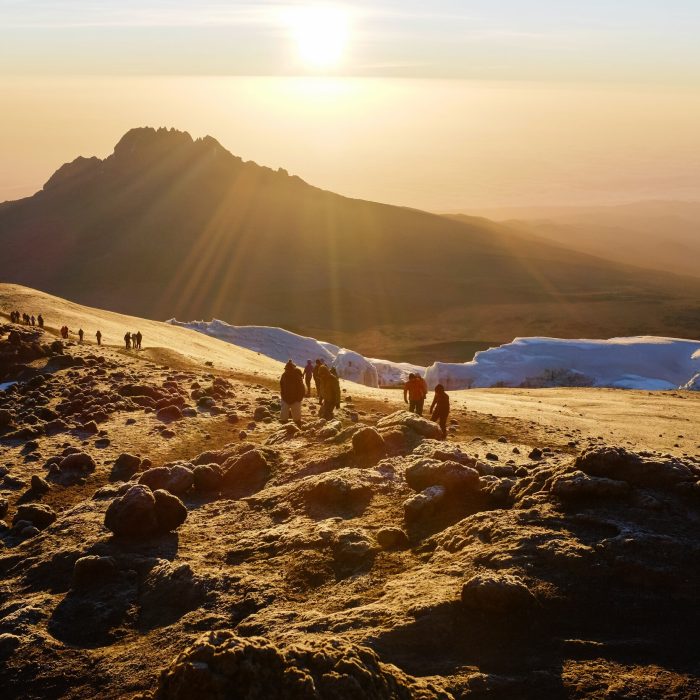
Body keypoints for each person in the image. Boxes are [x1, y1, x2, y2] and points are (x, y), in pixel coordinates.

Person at [280, 360, 306, 428]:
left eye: (289, 369)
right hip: (286, 398)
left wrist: (299, 398)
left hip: (295, 399)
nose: (287, 370)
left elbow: (301, 388)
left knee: (296, 416)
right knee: (284, 415)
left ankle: (297, 428)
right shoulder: (284, 375)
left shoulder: (296, 376)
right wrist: (283, 395)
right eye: (286, 369)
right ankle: (284, 428)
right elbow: (282, 386)